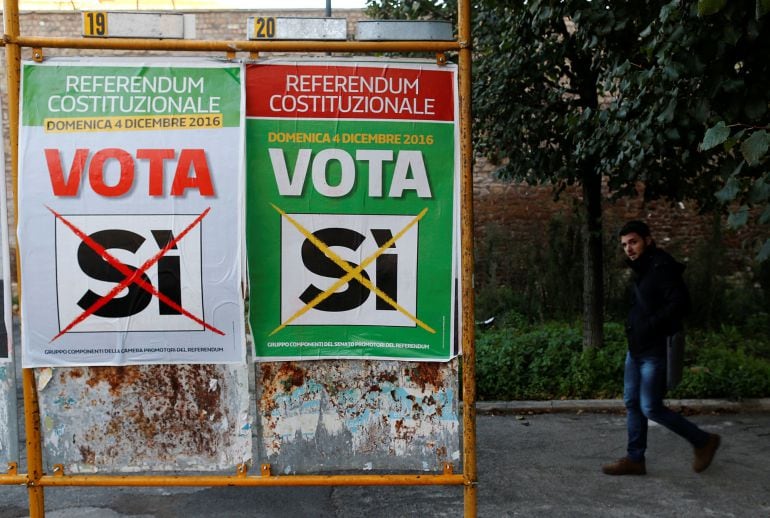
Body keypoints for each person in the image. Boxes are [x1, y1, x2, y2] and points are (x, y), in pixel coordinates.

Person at [602, 220, 720, 475]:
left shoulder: (661, 267)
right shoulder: (644, 268)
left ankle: (703, 441)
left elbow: (680, 305)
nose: (629, 249)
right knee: (632, 402)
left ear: (648, 240)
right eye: (624, 245)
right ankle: (635, 459)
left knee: (650, 406)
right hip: (636, 350)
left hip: (654, 350)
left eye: (633, 242)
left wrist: (650, 326)